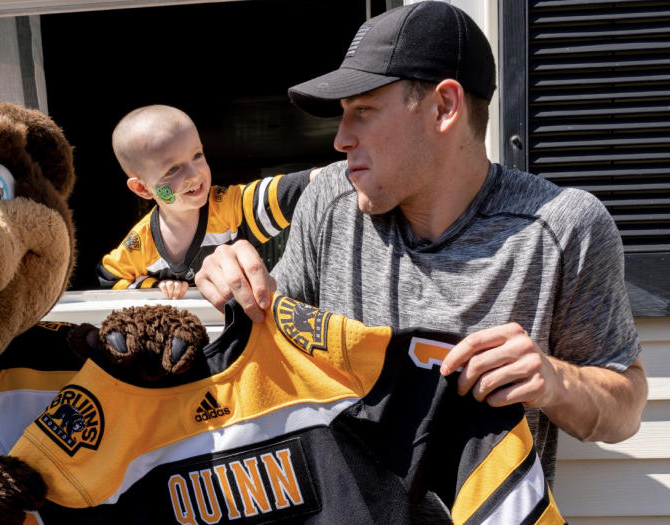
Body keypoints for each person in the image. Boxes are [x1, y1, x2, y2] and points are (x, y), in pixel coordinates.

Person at [193, 0, 647, 491]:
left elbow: (624, 410)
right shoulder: (329, 202)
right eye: (343, 116)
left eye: (363, 111)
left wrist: (556, 381)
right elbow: (277, 357)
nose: (341, 139)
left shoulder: (563, 226)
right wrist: (238, 282)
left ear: (444, 107)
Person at [96, 104, 314, 299]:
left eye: (197, 156)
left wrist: (329, 175)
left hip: (242, 330)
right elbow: (110, 280)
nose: (195, 174)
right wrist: (154, 287)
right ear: (142, 188)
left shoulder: (228, 206)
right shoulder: (140, 243)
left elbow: (285, 191)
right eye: (173, 169)